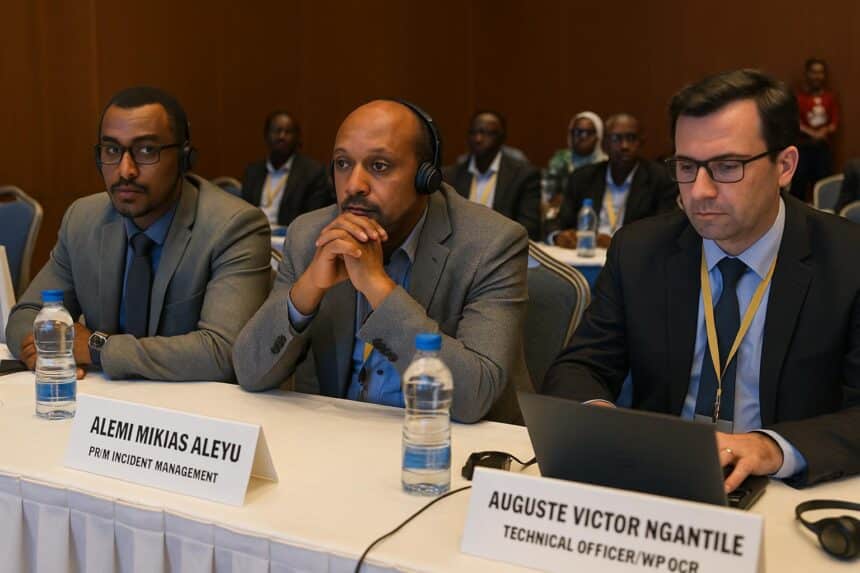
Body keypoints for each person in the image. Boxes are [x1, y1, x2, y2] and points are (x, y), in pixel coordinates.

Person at [543, 69, 860, 490]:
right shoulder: (640, 251)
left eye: (727, 167)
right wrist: (600, 419)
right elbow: (579, 367)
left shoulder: (847, 260)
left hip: (784, 487)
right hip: (661, 484)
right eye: (687, 167)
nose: (699, 191)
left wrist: (772, 447)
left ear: (784, 166)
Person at [233, 100, 530, 423]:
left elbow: (473, 398)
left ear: (426, 177)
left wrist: (378, 288)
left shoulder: (490, 244)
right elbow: (250, 372)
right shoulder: (312, 235)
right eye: (342, 163)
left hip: (439, 437)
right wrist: (308, 289)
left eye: (379, 166)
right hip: (338, 435)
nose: (354, 185)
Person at [5, 86, 272, 382]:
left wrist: (97, 349)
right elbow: (26, 315)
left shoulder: (233, 227)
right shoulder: (82, 219)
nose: (125, 170)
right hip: (101, 402)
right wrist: (42, 346)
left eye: (146, 151)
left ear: (184, 158)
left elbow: (224, 352)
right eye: (111, 150)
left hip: (191, 407)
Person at [550, 113, 677, 248]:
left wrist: (618, 243)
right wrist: (557, 236)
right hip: (586, 252)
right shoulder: (582, 177)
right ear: (604, 144)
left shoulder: (660, 178)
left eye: (631, 138)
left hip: (632, 254)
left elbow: (663, 231)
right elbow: (560, 221)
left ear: (641, 143)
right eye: (616, 138)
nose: (624, 146)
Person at [443, 111, 541, 239]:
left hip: (503, 246)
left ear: (502, 138)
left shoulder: (523, 176)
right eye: (473, 133)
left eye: (486, 133)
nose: (478, 139)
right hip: (459, 245)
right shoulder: (450, 175)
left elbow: (529, 226)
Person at [241, 111, 333, 227]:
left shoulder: (313, 173)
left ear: (297, 137)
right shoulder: (252, 172)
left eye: (288, 132)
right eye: (277, 131)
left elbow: (311, 220)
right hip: (255, 232)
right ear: (266, 135)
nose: (282, 136)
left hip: (288, 234)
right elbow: (244, 213)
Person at [792, 58, 839, 202]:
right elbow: (795, 122)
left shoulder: (830, 97)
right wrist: (812, 133)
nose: (817, 76)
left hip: (822, 149)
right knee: (798, 188)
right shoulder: (799, 97)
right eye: (813, 72)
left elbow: (834, 124)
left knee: (823, 187)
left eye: (820, 73)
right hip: (803, 149)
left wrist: (823, 132)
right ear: (807, 74)